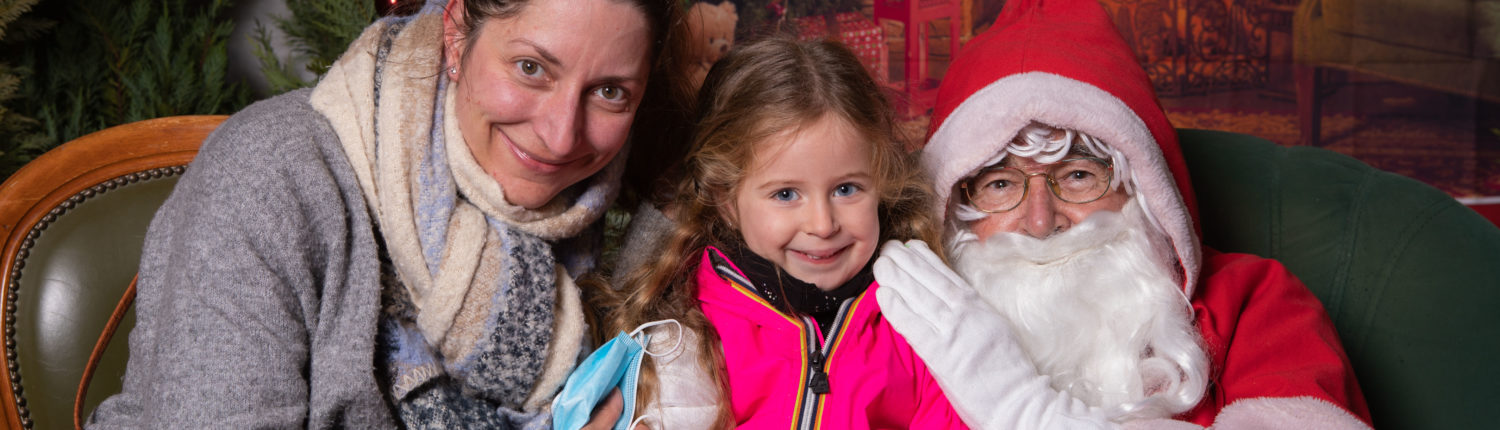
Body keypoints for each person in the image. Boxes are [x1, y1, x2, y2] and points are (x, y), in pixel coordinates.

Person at [86, 0, 691, 427]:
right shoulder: (270, 172)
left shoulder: (595, 208)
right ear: (457, 35)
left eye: (610, 92)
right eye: (531, 68)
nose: (561, 137)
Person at [871, 0, 1373, 428]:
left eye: (1078, 176)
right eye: (1000, 186)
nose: (1042, 223)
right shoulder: (903, 319)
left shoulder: (1257, 304)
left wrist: (1026, 412)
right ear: (954, 209)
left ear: (1143, 188)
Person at [597, 36, 968, 428]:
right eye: (786, 194)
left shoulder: (919, 317)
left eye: (846, 189)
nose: (822, 225)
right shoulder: (688, 325)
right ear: (727, 201)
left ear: (881, 182)